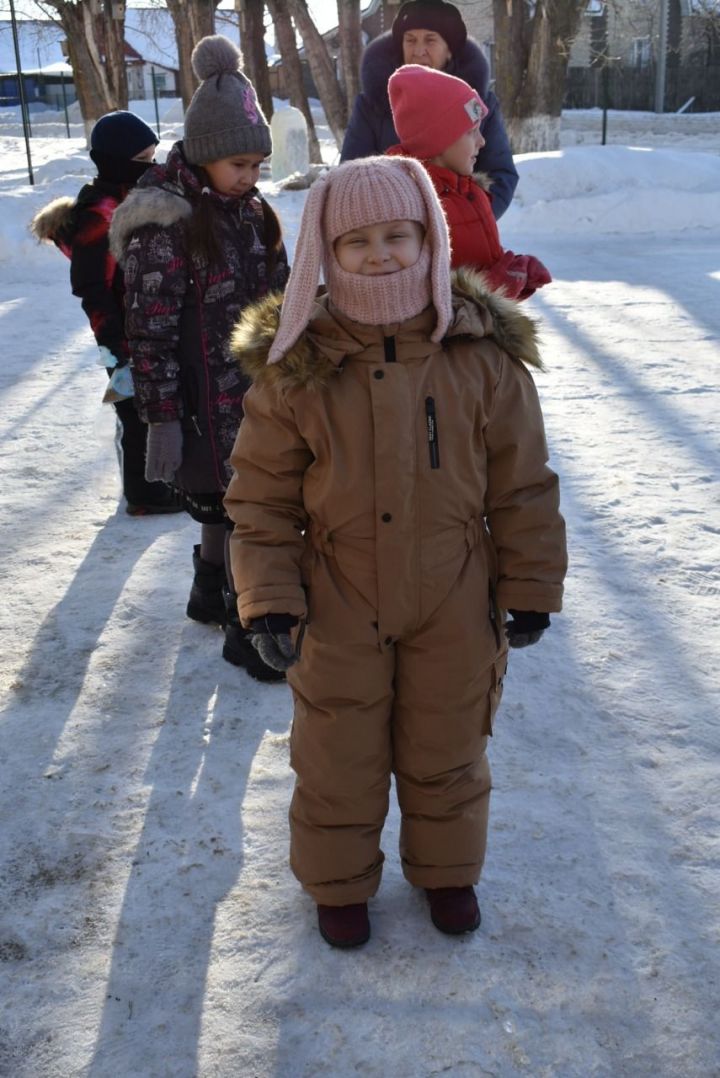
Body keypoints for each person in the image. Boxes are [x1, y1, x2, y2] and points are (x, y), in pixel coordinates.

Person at [223, 156, 567, 948]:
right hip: (338, 595)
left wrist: (532, 584)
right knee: (337, 751)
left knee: (447, 744)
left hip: (455, 593)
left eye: (398, 236)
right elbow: (262, 500)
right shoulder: (295, 372)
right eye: (357, 242)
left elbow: (523, 485)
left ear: (431, 242)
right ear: (323, 254)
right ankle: (339, 883)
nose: (380, 254)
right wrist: (268, 595)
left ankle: (448, 872)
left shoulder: (479, 356)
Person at [108, 35, 290, 681]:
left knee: (235, 504)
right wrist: (159, 419)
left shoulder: (251, 212)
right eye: (239, 164)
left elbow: (280, 295)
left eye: (258, 165)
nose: (250, 177)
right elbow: (148, 333)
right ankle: (247, 629)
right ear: (207, 155)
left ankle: (209, 590)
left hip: (251, 395)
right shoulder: (167, 224)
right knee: (239, 508)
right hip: (197, 404)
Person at [30, 111, 182, 516]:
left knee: (146, 406)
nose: (152, 166)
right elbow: (93, 286)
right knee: (134, 412)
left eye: (154, 155)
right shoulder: (102, 214)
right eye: (143, 159)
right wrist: (115, 347)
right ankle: (144, 494)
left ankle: (154, 482)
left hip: (139, 327)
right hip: (119, 334)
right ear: (115, 161)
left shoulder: (124, 199)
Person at [340, 0, 519, 219]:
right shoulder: (373, 104)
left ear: (449, 50)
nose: (418, 51)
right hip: (394, 237)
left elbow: (500, 176)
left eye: (430, 40)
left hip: (462, 238)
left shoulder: (479, 103)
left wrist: (465, 222)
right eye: (410, 40)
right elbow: (351, 175)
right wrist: (397, 229)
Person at [387, 64, 552, 301]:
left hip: (483, 330)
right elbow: (425, 296)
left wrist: (515, 271)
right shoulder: (414, 205)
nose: (482, 141)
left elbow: (480, 260)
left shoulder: (470, 193)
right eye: (471, 132)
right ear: (438, 140)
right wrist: (496, 284)